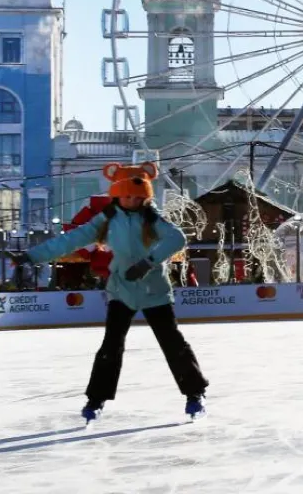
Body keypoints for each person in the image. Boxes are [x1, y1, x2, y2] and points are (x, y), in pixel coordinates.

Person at [24, 162, 209, 422]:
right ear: (117, 194)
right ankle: (95, 399)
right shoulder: (106, 220)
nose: (132, 201)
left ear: (146, 196)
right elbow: (71, 239)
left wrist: (147, 263)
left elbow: (177, 238)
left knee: (172, 342)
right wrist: (32, 256)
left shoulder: (152, 218)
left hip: (154, 290)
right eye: (127, 196)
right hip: (121, 290)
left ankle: (195, 393)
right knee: (111, 345)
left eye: (138, 197)